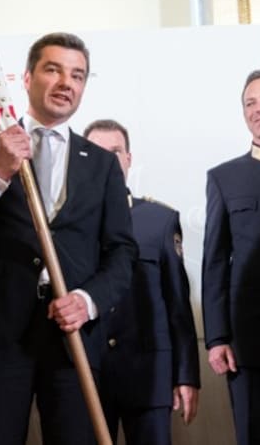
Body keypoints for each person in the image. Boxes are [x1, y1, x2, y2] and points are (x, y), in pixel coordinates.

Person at [0, 33, 137, 445]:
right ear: (26, 78)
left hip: (73, 340)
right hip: (0, 339)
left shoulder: (101, 165)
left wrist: (88, 301)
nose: (66, 83)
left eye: (77, 75)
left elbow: (121, 252)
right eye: (53, 69)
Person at [83, 119, 200, 445]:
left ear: (129, 159)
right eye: (96, 152)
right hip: (88, 376)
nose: (107, 160)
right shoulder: (67, 225)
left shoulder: (158, 221)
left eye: (115, 151)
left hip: (149, 376)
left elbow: (178, 306)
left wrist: (186, 375)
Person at [201, 70, 260, 445]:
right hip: (249, 337)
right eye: (250, 103)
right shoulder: (225, 177)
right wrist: (217, 337)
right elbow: (215, 261)